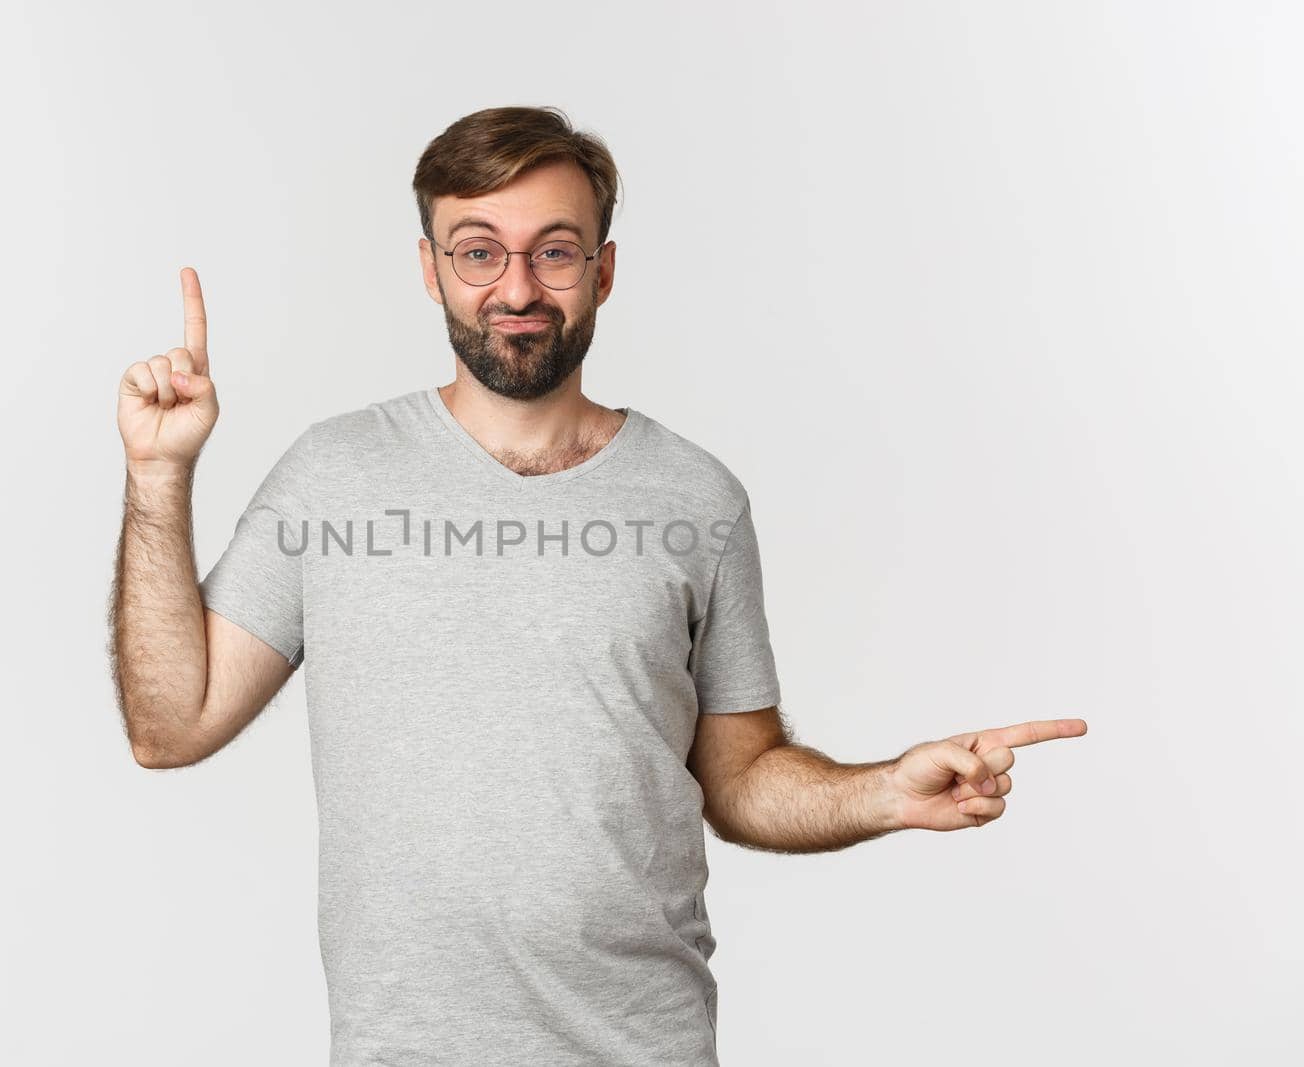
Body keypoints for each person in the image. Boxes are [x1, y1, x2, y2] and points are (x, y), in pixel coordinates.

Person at [109, 105, 1087, 1066]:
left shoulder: (695, 497)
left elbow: (740, 776)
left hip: (642, 1046)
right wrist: (159, 474)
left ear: (603, 270)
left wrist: (881, 792)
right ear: (431, 270)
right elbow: (171, 723)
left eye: (555, 250)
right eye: (478, 250)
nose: (517, 286)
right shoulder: (333, 476)